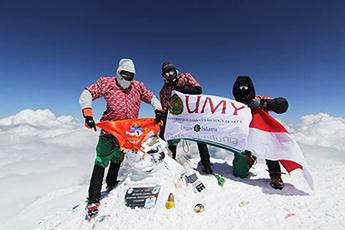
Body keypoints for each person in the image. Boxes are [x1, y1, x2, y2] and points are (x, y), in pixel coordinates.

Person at [79, 58, 163, 217]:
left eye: (131, 75)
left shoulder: (138, 87)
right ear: (118, 73)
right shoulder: (106, 82)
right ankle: (93, 198)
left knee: (118, 158)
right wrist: (88, 113)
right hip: (110, 131)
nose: (127, 78)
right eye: (125, 74)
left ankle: (111, 183)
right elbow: (87, 93)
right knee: (101, 160)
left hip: (127, 133)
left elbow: (152, 98)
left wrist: (158, 109)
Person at [232, 75, 288, 189]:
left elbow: (283, 105)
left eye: (245, 87)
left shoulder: (260, 99)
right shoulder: (231, 105)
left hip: (262, 135)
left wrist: (263, 103)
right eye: (240, 87)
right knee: (240, 173)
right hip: (244, 141)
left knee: (269, 144)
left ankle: (275, 175)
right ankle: (249, 159)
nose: (243, 90)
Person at [159, 61, 213, 174]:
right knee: (172, 140)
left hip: (192, 117)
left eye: (171, 71)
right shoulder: (163, 91)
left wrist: (183, 89)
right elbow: (165, 108)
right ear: (163, 76)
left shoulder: (185, 77)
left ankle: (206, 164)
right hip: (177, 120)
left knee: (200, 138)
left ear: (175, 71)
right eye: (166, 74)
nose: (170, 75)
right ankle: (171, 164)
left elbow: (198, 89)